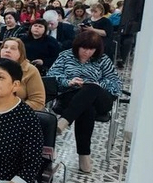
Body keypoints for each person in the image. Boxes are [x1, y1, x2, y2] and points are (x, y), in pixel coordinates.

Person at [46, 31, 122, 172]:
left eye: (91, 49)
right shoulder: (65, 56)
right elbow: (52, 76)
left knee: (91, 89)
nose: (87, 52)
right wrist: (69, 82)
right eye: (84, 48)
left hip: (100, 98)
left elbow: (116, 84)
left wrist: (98, 84)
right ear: (77, 46)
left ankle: (64, 121)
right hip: (71, 95)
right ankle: (84, 156)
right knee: (87, 109)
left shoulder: (103, 59)